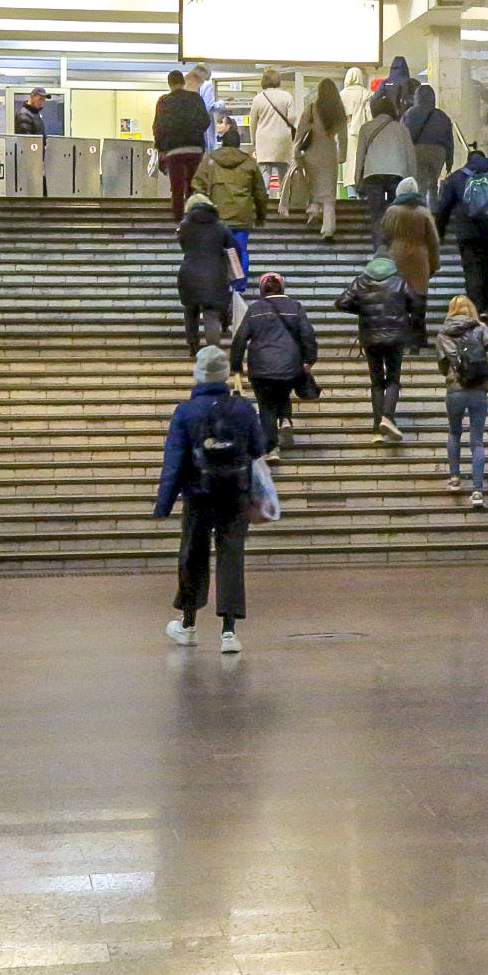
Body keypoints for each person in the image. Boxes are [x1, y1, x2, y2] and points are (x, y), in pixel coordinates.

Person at [157, 344, 267, 655]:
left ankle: (188, 624)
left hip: (198, 495)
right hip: (235, 493)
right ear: (224, 375)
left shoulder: (185, 411)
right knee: (232, 556)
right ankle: (229, 632)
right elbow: (258, 448)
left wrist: (164, 502)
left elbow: (174, 461)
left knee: (193, 555)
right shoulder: (243, 408)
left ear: (198, 375)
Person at [336, 253, 425, 439]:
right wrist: (401, 310)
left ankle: (377, 428)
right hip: (395, 337)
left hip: (370, 338)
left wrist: (363, 310)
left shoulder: (360, 282)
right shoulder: (400, 281)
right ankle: (388, 417)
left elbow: (341, 303)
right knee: (393, 379)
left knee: (377, 382)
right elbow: (416, 304)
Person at [229, 271, 317, 455]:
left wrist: (236, 366)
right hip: (290, 364)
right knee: (282, 390)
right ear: (282, 288)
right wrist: (309, 360)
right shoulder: (295, 307)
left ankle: (272, 448)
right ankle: (285, 419)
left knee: (266, 405)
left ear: (262, 290)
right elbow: (307, 334)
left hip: (261, 367)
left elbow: (240, 339)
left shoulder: (254, 309)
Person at [434, 294, 488, 507]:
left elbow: (443, 366)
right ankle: (477, 492)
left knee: (454, 432)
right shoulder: (480, 328)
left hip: (455, 389)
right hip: (478, 390)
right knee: (477, 441)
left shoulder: (443, 334)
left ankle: (454, 479)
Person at [192, 120, 270, 296]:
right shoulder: (249, 162)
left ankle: (218, 283)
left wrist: (203, 205)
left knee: (216, 252)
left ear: (223, 143)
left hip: (217, 217)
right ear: (238, 144)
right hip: (242, 216)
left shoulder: (211, 160)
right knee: (240, 251)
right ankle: (239, 287)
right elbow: (260, 192)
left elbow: (197, 184)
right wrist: (261, 215)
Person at [435, 147, 488, 316]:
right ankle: (485, 304)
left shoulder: (456, 178)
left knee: (471, 267)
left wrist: (440, 233)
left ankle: (475, 305)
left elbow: (443, 209)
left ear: (468, 161)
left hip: (466, 231)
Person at [176, 192, 236, 354]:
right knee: (211, 315)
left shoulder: (184, 226)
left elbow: (183, 244)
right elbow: (234, 249)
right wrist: (234, 270)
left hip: (189, 273)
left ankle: (193, 346)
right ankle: (212, 350)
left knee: (191, 312)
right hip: (215, 275)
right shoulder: (221, 227)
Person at [353, 81, 417, 232]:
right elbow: (410, 155)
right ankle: (394, 239)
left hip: (373, 174)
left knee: (376, 214)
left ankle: (379, 242)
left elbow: (360, 156)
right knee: (396, 214)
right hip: (397, 173)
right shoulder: (401, 128)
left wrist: (357, 180)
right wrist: (412, 179)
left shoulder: (366, 128)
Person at [293, 76, 350, 236]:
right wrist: (342, 155)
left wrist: (296, 151)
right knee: (328, 192)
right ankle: (328, 228)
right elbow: (343, 137)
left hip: (311, 153)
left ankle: (313, 210)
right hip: (329, 154)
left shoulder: (311, 109)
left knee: (313, 185)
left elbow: (300, 132)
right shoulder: (338, 112)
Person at [153, 69, 211, 220]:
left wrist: (160, 149)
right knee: (193, 186)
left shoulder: (163, 102)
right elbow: (206, 121)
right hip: (194, 148)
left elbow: (158, 128)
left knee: (177, 188)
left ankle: (179, 222)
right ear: (183, 82)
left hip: (173, 151)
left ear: (169, 84)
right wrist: (195, 132)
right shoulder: (196, 98)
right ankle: (194, 219)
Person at [249, 69, 301, 213]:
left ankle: (263, 207)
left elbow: (253, 123)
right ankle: (284, 205)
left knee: (264, 174)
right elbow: (292, 118)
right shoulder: (287, 97)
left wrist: (254, 142)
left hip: (264, 140)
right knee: (284, 174)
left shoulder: (258, 99)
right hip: (283, 139)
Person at [378, 175, 439, 294]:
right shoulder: (425, 212)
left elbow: (384, 235)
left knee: (398, 295)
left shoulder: (392, 211)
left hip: (397, 254)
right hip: (420, 257)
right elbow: (433, 241)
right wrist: (434, 265)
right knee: (418, 295)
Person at [404, 83, 455, 199]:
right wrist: (449, 161)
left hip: (417, 151)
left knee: (419, 184)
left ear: (416, 97)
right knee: (433, 184)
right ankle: (433, 207)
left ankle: (420, 207)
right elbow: (449, 141)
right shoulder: (442, 116)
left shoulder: (409, 114)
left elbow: (402, 135)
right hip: (438, 152)